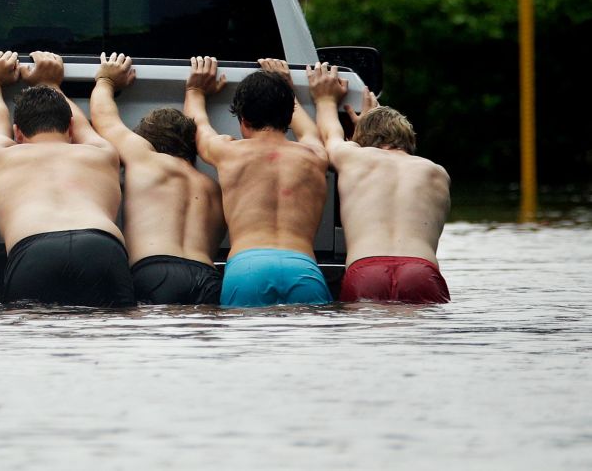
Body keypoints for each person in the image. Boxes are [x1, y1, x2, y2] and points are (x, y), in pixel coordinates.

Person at [0, 50, 135, 307]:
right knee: (111, 340)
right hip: (101, 246)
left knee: (32, 340)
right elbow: (81, 124)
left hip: (35, 249)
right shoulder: (102, 152)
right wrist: (51, 83)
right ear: (70, 128)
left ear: (17, 133)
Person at [185, 56, 333, 307]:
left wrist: (195, 90)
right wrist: (287, 88)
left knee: (245, 346)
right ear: (289, 118)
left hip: (248, 269)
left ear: (242, 119)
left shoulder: (228, 152)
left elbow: (198, 126)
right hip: (303, 268)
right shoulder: (315, 156)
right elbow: (309, 132)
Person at [307, 62, 451, 303]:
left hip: (367, 270)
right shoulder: (436, 173)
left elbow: (330, 134)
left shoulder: (354, 158)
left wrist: (325, 100)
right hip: (421, 272)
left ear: (358, 139)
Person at [90, 52, 225, 304]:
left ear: (147, 141)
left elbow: (105, 120)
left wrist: (105, 81)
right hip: (207, 276)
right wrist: (195, 92)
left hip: (156, 271)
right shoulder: (214, 188)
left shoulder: (146, 160)